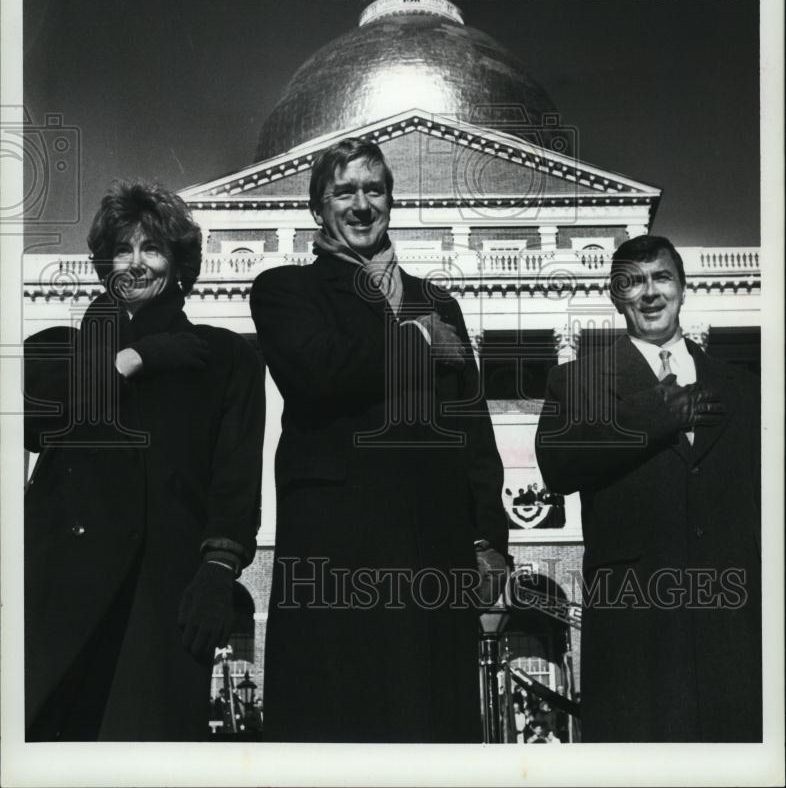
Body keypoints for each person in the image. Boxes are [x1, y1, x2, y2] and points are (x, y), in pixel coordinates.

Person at [250, 138, 509, 743]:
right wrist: (419, 344)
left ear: (391, 200)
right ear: (319, 208)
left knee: (433, 718)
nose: (361, 205)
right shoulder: (286, 289)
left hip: (435, 539)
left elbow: (472, 428)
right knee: (343, 716)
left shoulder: (437, 301)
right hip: (341, 541)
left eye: (374, 189)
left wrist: (488, 538)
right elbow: (318, 371)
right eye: (345, 192)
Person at [24, 181, 265, 741]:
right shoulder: (55, 350)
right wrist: (133, 359)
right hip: (55, 593)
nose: (134, 264)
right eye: (122, 249)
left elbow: (236, 478)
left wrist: (218, 567)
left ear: (179, 264)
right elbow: (36, 423)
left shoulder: (225, 358)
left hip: (161, 599)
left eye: (151, 249)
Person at [535, 235, 761, 742]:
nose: (650, 293)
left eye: (661, 278)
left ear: (683, 289)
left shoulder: (743, 387)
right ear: (617, 297)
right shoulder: (576, 383)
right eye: (633, 282)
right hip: (635, 628)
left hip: (731, 623)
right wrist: (659, 416)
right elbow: (559, 465)